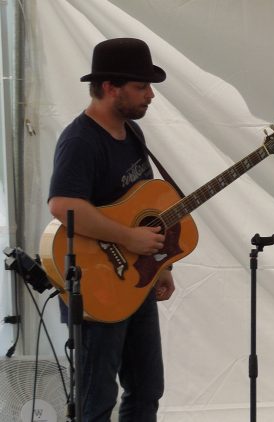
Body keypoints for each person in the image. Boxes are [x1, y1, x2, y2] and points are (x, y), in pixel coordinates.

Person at [48, 38, 174, 421]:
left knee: (147, 389)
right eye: (141, 86)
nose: (150, 95)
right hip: (96, 286)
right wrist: (129, 238)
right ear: (109, 87)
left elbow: (146, 209)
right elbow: (63, 205)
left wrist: (161, 264)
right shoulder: (80, 140)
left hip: (136, 281)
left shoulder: (132, 134)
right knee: (97, 399)